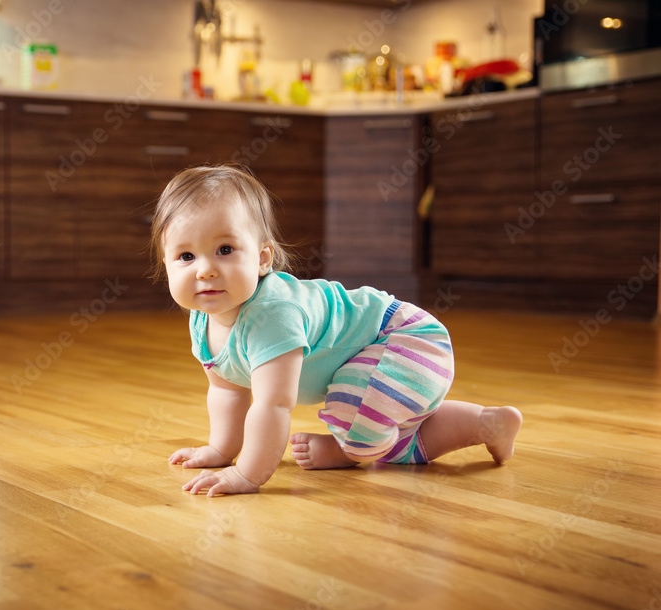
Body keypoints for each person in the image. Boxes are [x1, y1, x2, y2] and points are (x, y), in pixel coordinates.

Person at [151, 164, 522, 497]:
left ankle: (347, 450)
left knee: (362, 428)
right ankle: (487, 424)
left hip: (407, 339)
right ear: (165, 264)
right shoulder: (203, 318)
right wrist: (221, 450)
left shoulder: (272, 316)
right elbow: (228, 393)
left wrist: (246, 474)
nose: (204, 270)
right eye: (186, 257)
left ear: (263, 258)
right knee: (394, 441)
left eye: (225, 249)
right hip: (394, 354)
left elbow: (273, 404)